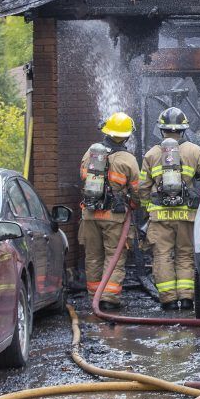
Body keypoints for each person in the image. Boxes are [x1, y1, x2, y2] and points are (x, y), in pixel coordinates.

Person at [139, 107, 200, 311]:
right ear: (183, 130)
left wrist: (147, 209)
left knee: (162, 256)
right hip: (187, 216)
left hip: (159, 217)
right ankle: (186, 298)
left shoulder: (152, 154)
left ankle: (169, 300)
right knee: (185, 255)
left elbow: (142, 188)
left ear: (162, 130)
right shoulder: (194, 151)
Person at [78, 111, 140, 311]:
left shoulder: (91, 153)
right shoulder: (127, 160)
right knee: (114, 255)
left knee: (93, 256)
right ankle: (108, 298)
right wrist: (135, 204)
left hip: (89, 214)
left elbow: (82, 176)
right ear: (127, 136)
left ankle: (93, 296)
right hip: (115, 217)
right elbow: (137, 189)